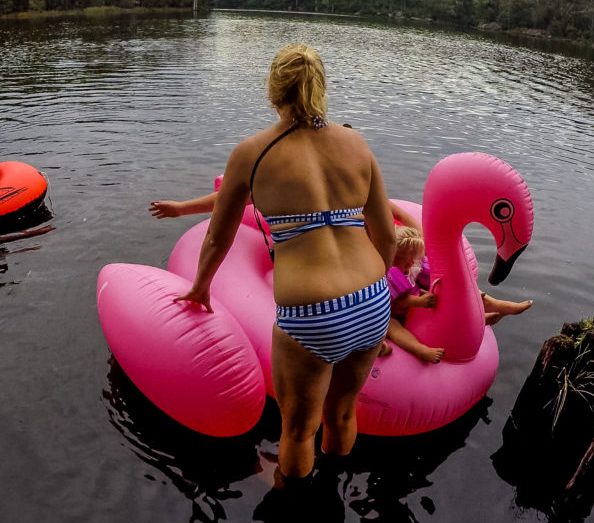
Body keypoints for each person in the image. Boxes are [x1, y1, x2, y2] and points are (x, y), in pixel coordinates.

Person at [174, 44, 396, 489]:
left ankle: (293, 509)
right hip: (373, 299)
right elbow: (387, 235)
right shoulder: (355, 143)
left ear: (274, 89)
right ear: (321, 86)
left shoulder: (252, 152)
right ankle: (335, 488)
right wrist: (376, 297)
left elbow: (219, 235)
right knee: (344, 412)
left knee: (297, 430)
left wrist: (200, 287)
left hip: (312, 314)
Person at [383, 226, 533, 362]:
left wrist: (425, 294)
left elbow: (413, 284)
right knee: (392, 327)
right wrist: (419, 302)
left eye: (413, 259)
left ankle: (493, 308)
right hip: (391, 313)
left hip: (414, 305)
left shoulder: (411, 265)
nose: (411, 264)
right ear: (394, 257)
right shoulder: (389, 270)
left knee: (447, 291)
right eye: (406, 260)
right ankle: (420, 351)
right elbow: (400, 300)